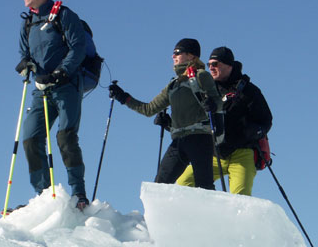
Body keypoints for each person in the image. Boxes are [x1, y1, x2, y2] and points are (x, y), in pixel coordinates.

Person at [15, 0, 89, 210]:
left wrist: (60, 73)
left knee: (65, 137)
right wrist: (25, 64)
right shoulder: (27, 23)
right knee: (30, 138)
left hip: (67, 85)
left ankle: (79, 194)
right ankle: (44, 196)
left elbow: (77, 48)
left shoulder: (64, 15)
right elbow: (25, 53)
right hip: (41, 90)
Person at [108, 38, 224, 189]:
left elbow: (218, 100)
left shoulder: (201, 75)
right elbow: (149, 109)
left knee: (205, 187)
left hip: (200, 138)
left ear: (191, 56)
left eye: (177, 52)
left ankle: (213, 213)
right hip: (178, 142)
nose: (173, 56)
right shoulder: (173, 85)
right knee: (159, 186)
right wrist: (123, 97)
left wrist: (213, 104)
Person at [176, 47, 272, 195]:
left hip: (242, 153)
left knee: (240, 198)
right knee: (182, 185)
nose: (211, 68)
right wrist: (169, 122)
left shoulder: (249, 91)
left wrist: (256, 131)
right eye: (209, 65)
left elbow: (266, 120)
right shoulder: (205, 88)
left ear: (229, 65)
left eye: (215, 64)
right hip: (213, 154)